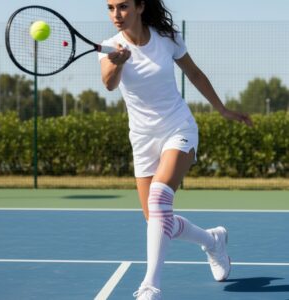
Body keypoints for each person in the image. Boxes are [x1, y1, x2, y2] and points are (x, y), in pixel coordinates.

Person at [98, 0, 253, 299]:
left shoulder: (166, 38)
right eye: (110, 7)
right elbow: (108, 83)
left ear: (141, 7)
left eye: (123, 6)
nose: (116, 14)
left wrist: (222, 110)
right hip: (142, 140)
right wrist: (117, 62)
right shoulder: (110, 46)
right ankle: (212, 240)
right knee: (156, 219)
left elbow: (194, 74)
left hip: (178, 128)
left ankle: (150, 286)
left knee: (159, 199)